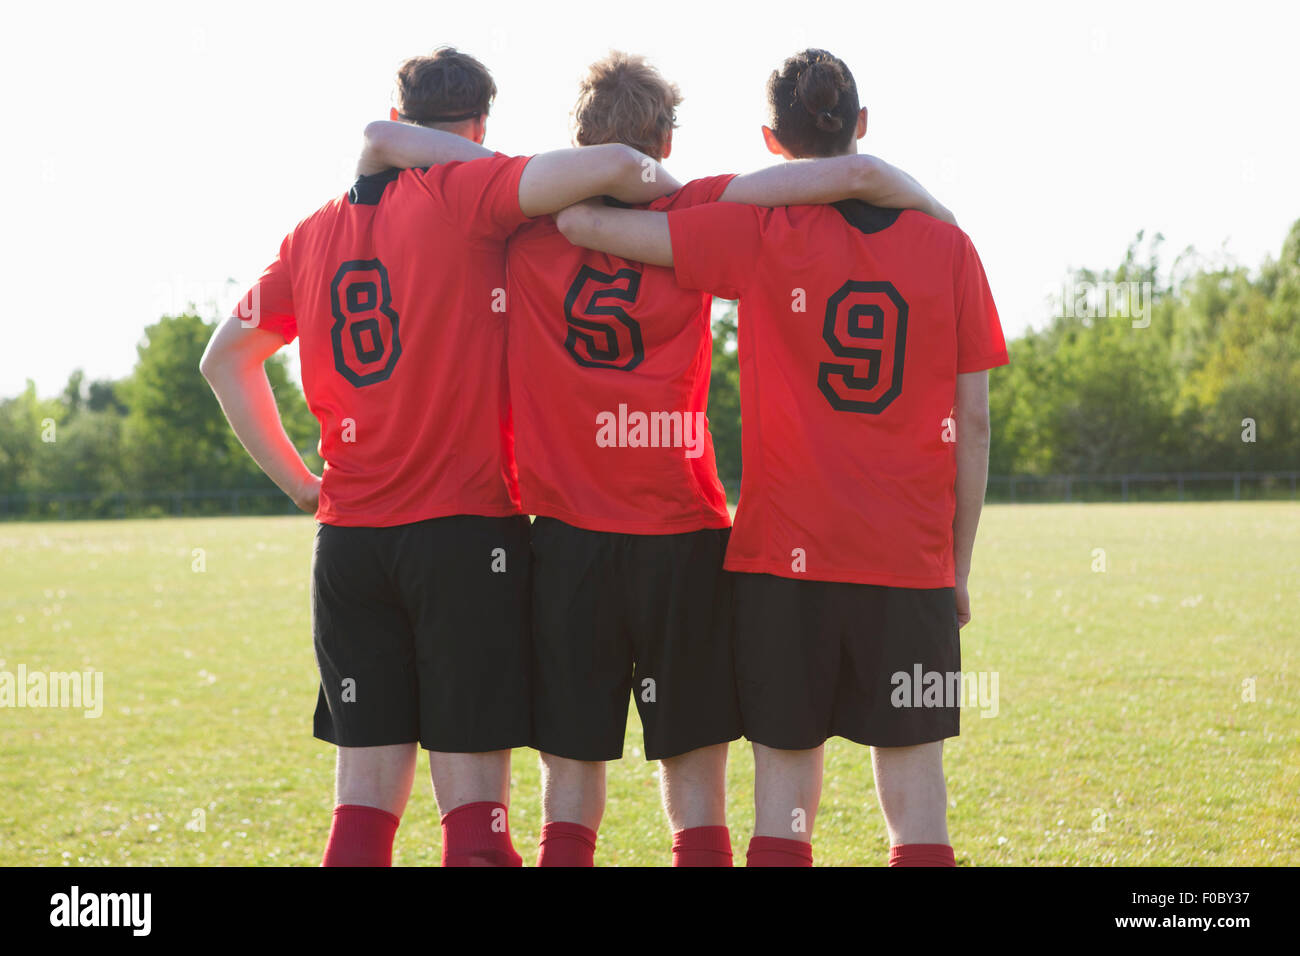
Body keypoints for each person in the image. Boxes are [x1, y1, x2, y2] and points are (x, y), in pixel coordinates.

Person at [356, 50, 954, 866]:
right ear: (666, 141)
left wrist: (403, 151)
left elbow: (424, 153)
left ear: (580, 140)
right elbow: (834, 181)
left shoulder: (525, 223)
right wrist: (919, 201)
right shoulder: (696, 209)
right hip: (682, 531)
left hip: (566, 537)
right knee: (695, 770)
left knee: (571, 776)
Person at [199, 46, 681, 867]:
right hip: (463, 538)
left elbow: (224, 359)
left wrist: (300, 485)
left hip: (349, 542)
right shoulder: (467, 193)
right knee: (477, 829)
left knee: (359, 818)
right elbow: (615, 166)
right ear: (478, 124)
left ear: (399, 116)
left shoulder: (313, 233)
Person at [555, 48, 1007, 867]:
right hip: (909, 564)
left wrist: (585, 216)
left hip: (781, 563)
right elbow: (971, 425)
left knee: (782, 813)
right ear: (861, 124)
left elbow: (591, 225)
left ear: (772, 139)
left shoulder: (757, 229)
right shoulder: (952, 247)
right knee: (919, 810)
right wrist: (957, 566)